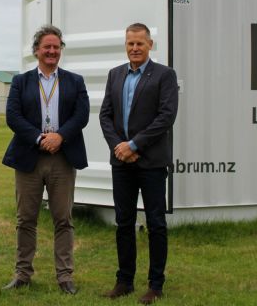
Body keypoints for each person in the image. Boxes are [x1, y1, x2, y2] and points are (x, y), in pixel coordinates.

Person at [2, 24, 90, 295]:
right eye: (46, 47)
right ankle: (22, 274)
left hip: (62, 158)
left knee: (63, 219)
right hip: (29, 157)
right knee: (25, 219)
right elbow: (13, 117)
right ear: (36, 51)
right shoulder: (21, 81)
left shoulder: (75, 81)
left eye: (56, 47)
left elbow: (81, 115)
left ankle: (65, 277)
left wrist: (60, 137)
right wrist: (40, 138)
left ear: (60, 50)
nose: (52, 51)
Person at [99, 23, 179, 305]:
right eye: (130, 44)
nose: (134, 48)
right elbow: (105, 116)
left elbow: (166, 117)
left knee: (156, 223)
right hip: (121, 162)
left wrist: (134, 145)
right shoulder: (115, 74)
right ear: (126, 44)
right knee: (124, 222)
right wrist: (119, 147)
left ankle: (156, 284)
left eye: (140, 44)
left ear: (150, 45)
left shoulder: (164, 76)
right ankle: (124, 281)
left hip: (152, 163)